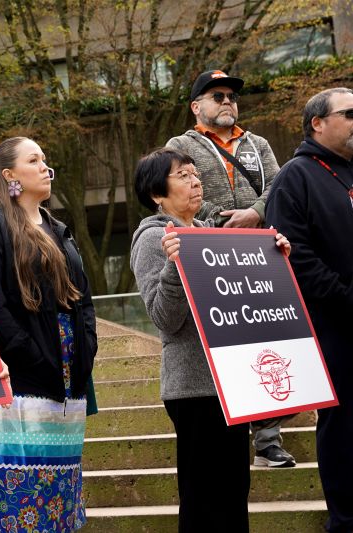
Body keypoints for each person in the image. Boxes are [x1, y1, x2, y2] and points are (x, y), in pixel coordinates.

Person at [130, 147, 291, 532]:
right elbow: (164, 319)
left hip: (233, 385)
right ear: (156, 193)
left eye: (195, 173)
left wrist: (275, 260)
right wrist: (174, 266)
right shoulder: (153, 239)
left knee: (234, 493)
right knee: (204, 499)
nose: (196, 180)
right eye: (182, 175)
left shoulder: (214, 235)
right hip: (193, 389)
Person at [167, 71, 294, 468]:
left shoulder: (258, 143)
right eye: (217, 95)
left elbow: (279, 184)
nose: (227, 102)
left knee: (266, 337)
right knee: (232, 340)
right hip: (213, 251)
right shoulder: (179, 145)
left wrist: (255, 212)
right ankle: (237, 426)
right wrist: (220, 222)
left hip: (258, 252)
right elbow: (177, 193)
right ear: (196, 106)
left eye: (232, 96)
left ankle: (268, 439)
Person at [0, 137, 98, 532]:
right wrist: (29, 355)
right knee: (21, 505)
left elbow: (85, 300)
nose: (45, 166)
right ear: (10, 175)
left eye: (45, 159)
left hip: (68, 384)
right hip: (23, 385)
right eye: (34, 159)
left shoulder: (60, 228)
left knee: (59, 505)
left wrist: (86, 349)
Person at [265, 87, 353, 533]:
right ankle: (346, 518)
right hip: (331, 325)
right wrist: (346, 297)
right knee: (344, 424)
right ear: (318, 123)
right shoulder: (295, 177)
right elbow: (294, 256)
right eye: (350, 113)